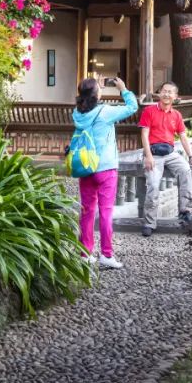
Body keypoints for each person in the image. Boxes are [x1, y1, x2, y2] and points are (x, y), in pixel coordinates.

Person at [74, 76, 138, 268]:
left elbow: (89, 102)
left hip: (85, 166)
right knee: (105, 212)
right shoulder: (105, 111)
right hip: (106, 167)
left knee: (87, 211)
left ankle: (84, 254)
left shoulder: (77, 112)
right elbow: (132, 107)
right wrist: (123, 89)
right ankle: (107, 255)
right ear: (96, 94)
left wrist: (94, 89)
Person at [138, 81, 192, 237]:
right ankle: (149, 222)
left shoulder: (176, 115)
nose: (166, 94)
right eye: (164, 91)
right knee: (153, 184)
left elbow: (183, 137)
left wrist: (191, 156)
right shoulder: (149, 111)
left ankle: (185, 211)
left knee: (186, 170)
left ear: (175, 96)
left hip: (170, 153)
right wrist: (148, 157)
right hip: (153, 153)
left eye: (170, 92)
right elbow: (144, 135)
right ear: (159, 93)